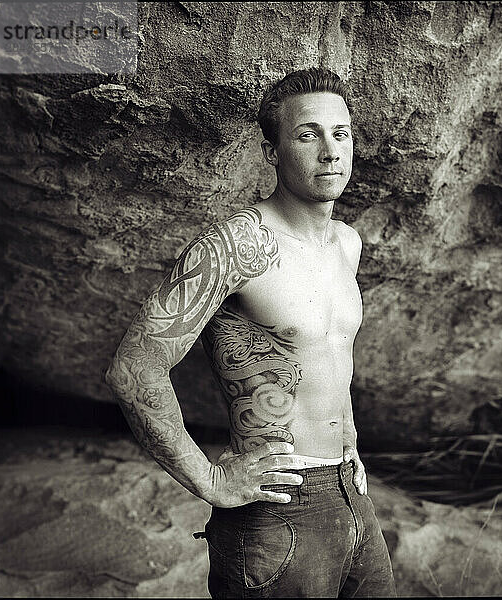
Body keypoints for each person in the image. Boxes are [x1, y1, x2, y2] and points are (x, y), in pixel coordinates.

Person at [105, 67, 396, 598]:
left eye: (341, 133)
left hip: (351, 490)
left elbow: (327, 357)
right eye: (308, 134)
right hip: (277, 508)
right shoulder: (234, 247)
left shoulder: (347, 244)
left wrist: (350, 439)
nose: (331, 150)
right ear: (272, 152)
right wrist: (211, 480)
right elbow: (133, 370)